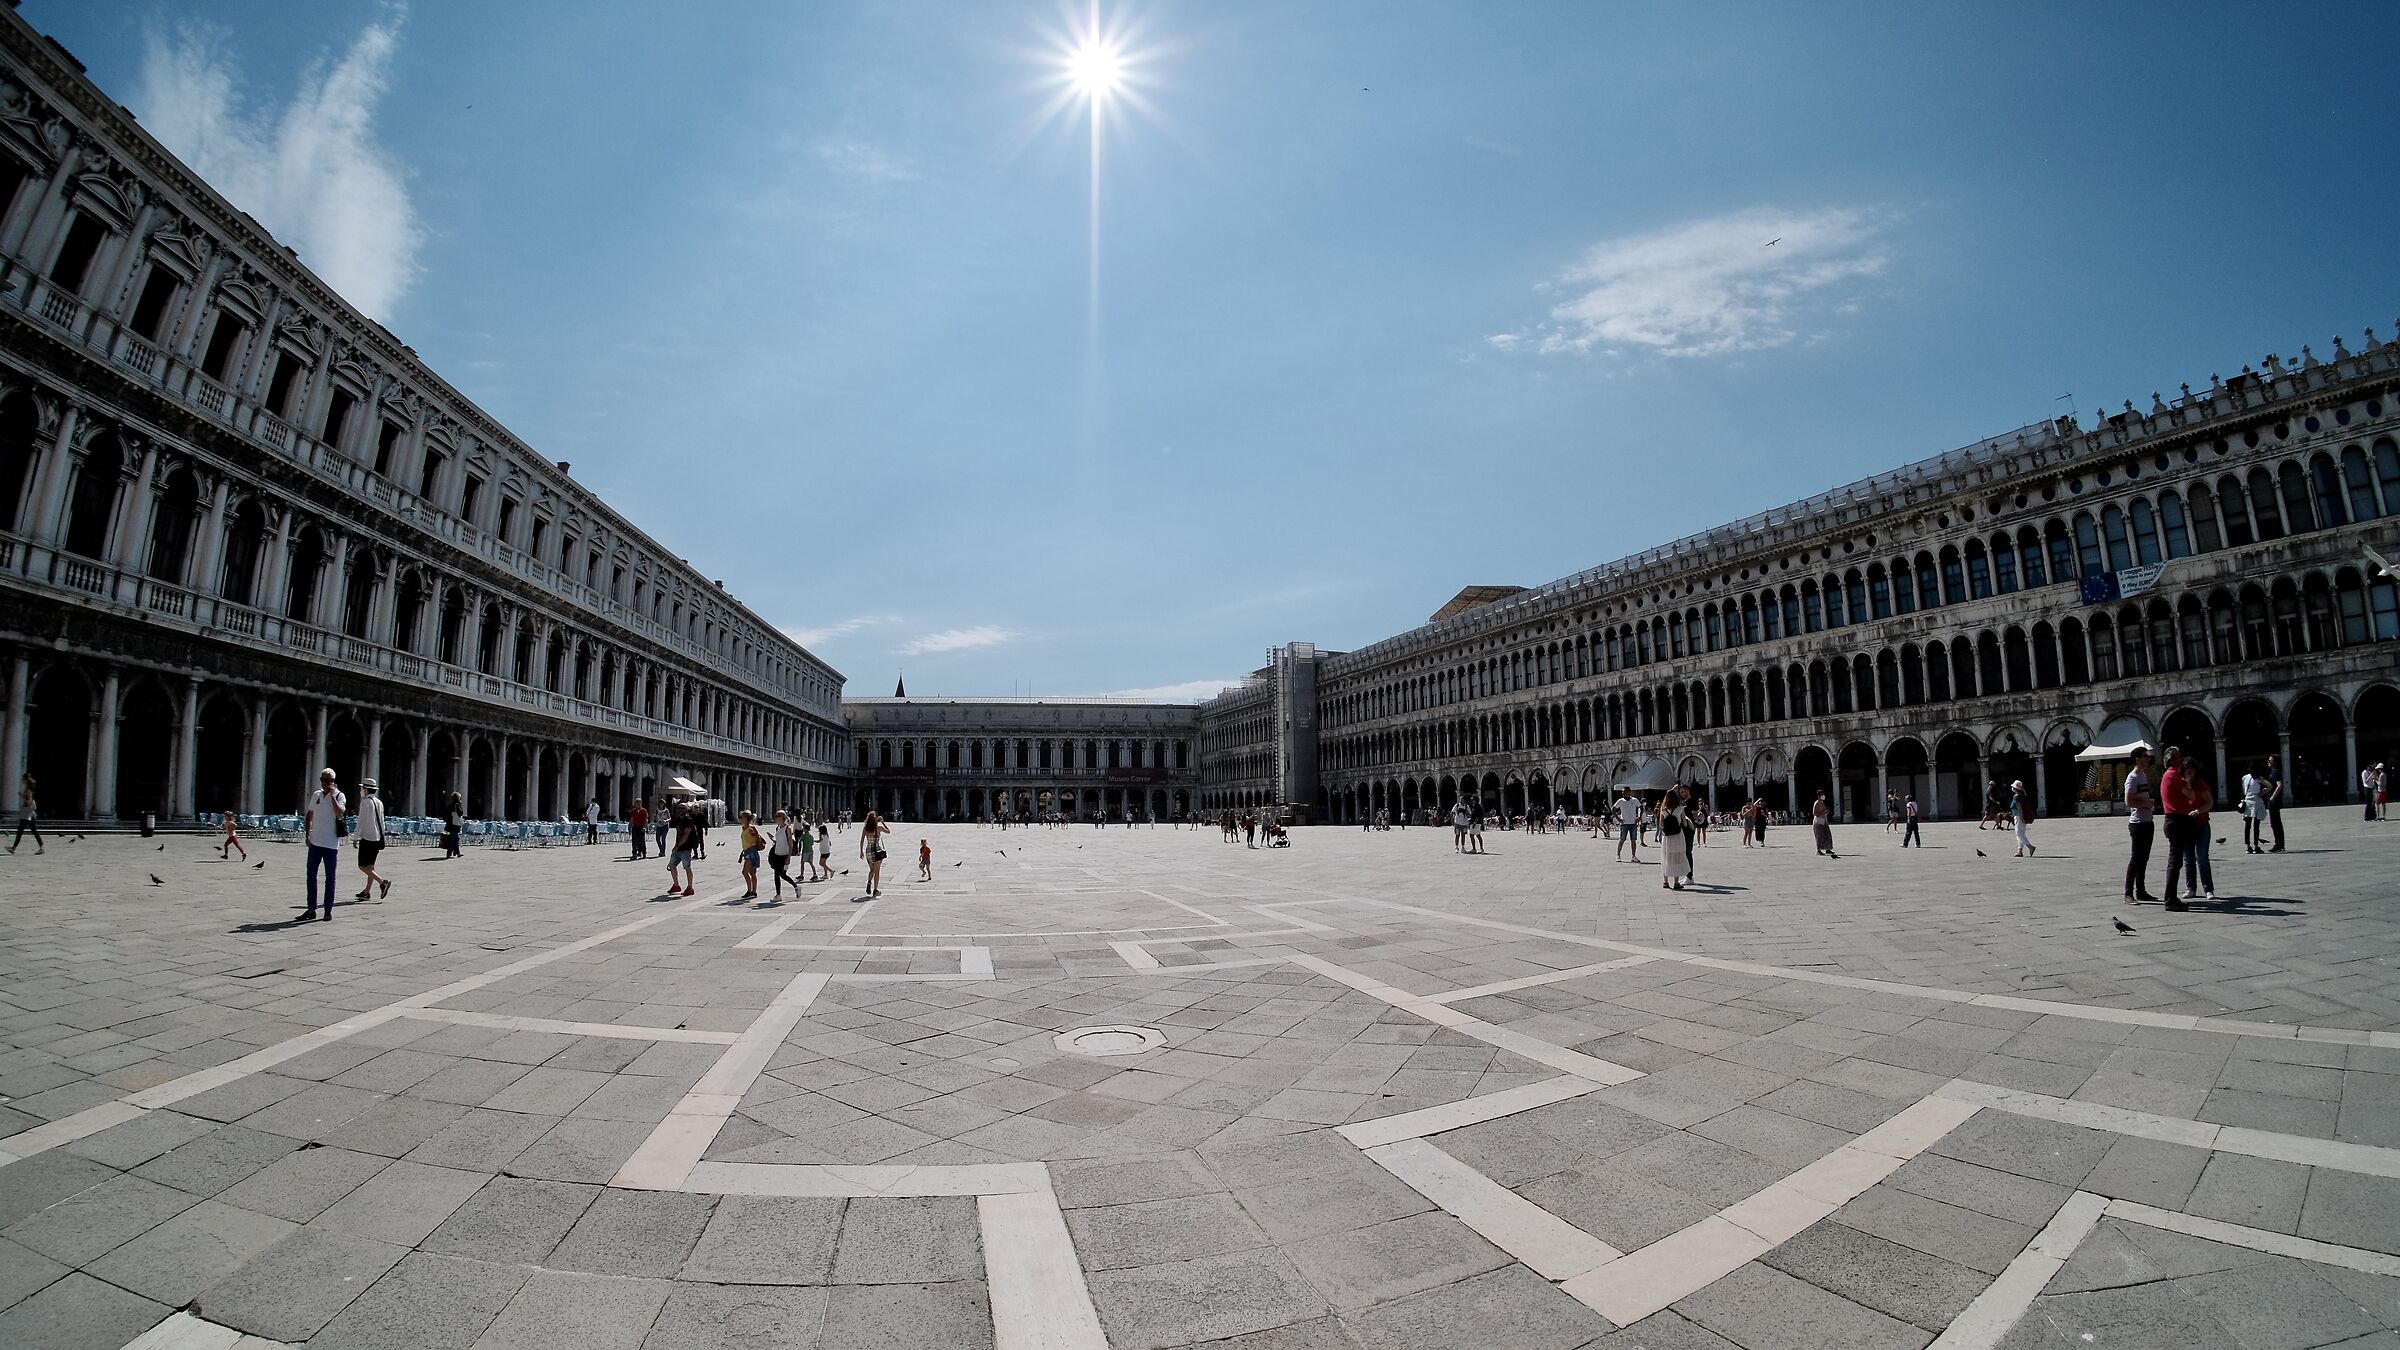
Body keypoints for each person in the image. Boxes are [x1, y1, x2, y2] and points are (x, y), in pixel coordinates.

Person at [302, 768, 347, 922]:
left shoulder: (340, 796)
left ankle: (328, 910)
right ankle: (311, 909)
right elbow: (309, 814)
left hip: (330, 844)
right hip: (315, 842)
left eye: (328, 781)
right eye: (323, 780)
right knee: (310, 876)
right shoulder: (316, 795)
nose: (325, 783)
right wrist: (307, 834)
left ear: (334, 781)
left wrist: (332, 796)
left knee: (330, 878)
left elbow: (340, 813)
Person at [2156, 747, 2195, 912]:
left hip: (2173, 821)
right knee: (2175, 862)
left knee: (2175, 861)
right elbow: (2191, 795)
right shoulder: (2173, 774)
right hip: (2176, 821)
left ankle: (2171, 898)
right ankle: (2170, 899)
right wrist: (2188, 781)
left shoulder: (2168, 775)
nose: (2182, 760)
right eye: (2180, 757)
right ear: (2173, 760)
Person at [2123, 748, 2159, 904]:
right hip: (2137, 823)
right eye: (2145, 757)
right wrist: (2146, 803)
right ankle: (2128, 893)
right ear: (2137, 759)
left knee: (2144, 858)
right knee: (2136, 858)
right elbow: (2128, 801)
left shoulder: (2143, 776)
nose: (2148, 759)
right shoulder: (2132, 778)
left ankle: (2141, 891)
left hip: (2147, 821)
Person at [352, 777, 390, 901]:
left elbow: (361, 821)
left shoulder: (365, 802)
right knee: (370, 866)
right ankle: (367, 892)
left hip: (368, 837)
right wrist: (382, 835)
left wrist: (355, 837)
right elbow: (382, 821)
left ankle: (382, 882)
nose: (361, 790)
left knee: (362, 866)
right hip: (377, 837)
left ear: (366, 789)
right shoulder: (379, 802)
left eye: (362, 788)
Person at [1659, 788, 1691, 890]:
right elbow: (1684, 823)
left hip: (1667, 837)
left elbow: (1661, 824)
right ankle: (1676, 882)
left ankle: (1665, 882)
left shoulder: (1663, 810)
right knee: (1677, 857)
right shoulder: (1680, 808)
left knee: (1666, 858)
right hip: (1677, 836)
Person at [767, 811, 800, 900]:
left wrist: (789, 857)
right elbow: (778, 841)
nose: (776, 818)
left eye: (779, 816)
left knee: (782, 874)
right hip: (777, 854)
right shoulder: (778, 828)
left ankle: (796, 886)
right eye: (776, 816)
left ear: (783, 818)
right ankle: (778, 895)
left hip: (784, 855)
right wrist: (772, 839)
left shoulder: (787, 829)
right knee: (776, 875)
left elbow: (790, 844)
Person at [667, 806, 699, 897]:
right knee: (672, 865)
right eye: (678, 809)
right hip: (678, 847)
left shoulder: (688, 820)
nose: (680, 810)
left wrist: (677, 846)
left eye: (682, 809)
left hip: (686, 848)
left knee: (687, 867)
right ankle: (676, 885)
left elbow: (686, 835)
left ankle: (690, 887)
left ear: (686, 810)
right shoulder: (678, 820)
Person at [858, 810, 891, 896]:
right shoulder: (878, 828)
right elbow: (888, 831)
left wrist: (861, 851)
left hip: (868, 850)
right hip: (877, 851)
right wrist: (882, 822)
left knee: (872, 870)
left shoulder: (865, 829)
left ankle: (869, 882)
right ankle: (875, 890)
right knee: (877, 872)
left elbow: (861, 841)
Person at [735, 810, 765, 900]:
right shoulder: (744, 828)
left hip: (751, 852)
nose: (740, 819)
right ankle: (753, 891)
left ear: (746, 819)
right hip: (747, 852)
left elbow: (757, 839)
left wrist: (755, 837)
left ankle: (750, 890)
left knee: (745, 872)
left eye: (742, 817)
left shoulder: (751, 828)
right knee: (751, 872)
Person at [7, 773, 39, 854]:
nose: (22, 780)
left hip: (26, 812)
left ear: (25, 780)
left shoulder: (28, 789)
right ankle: (41, 846)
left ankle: (13, 848)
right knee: (33, 830)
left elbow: (28, 800)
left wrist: (23, 796)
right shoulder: (28, 788)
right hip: (28, 812)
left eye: (23, 779)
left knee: (20, 830)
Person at [2241, 763, 2267, 854]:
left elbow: (2244, 791)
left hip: (2248, 801)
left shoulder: (2244, 778)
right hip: (2256, 801)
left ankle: (2248, 846)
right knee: (2256, 825)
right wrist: (2262, 793)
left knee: (2247, 825)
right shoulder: (2259, 778)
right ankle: (2256, 846)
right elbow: (2270, 786)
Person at [2262, 754, 2286, 852]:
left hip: (2274, 801)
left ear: (2275, 763)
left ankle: (2278, 844)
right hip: (2273, 799)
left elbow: (2279, 785)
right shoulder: (2272, 772)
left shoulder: (2275, 772)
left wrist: (2272, 797)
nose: (2268, 762)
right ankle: (2280, 844)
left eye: (2270, 761)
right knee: (2276, 822)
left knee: (2275, 823)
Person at [2009, 780, 2035, 857]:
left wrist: (2022, 817)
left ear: (2015, 789)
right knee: (2021, 834)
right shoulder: (2022, 795)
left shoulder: (2016, 797)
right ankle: (2020, 851)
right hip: (2021, 816)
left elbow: (2019, 808)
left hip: (2018, 816)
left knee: (2019, 834)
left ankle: (2030, 847)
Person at [1614, 789, 1641, 862]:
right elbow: (1613, 808)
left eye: (1625, 792)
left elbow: (1641, 807)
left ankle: (1633, 856)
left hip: (1633, 823)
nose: (1623, 793)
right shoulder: (1621, 801)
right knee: (1622, 839)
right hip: (1624, 823)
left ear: (1629, 792)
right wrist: (1618, 818)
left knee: (1633, 840)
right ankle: (1618, 855)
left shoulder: (1634, 800)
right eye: (1622, 792)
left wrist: (1639, 817)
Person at [1811, 791, 1837, 858]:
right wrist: (1823, 812)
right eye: (1822, 795)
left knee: (1827, 835)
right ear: (1819, 796)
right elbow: (1815, 813)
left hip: (1824, 820)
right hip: (1818, 822)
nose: (1823, 796)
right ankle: (1819, 850)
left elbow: (1824, 810)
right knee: (1819, 836)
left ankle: (1828, 849)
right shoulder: (1816, 803)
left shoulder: (1822, 803)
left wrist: (1826, 812)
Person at [444, 791, 465, 859]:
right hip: (455, 825)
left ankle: (457, 853)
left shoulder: (449, 805)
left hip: (450, 825)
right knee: (453, 839)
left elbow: (445, 815)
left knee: (455, 839)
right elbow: (460, 813)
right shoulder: (457, 805)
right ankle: (449, 854)